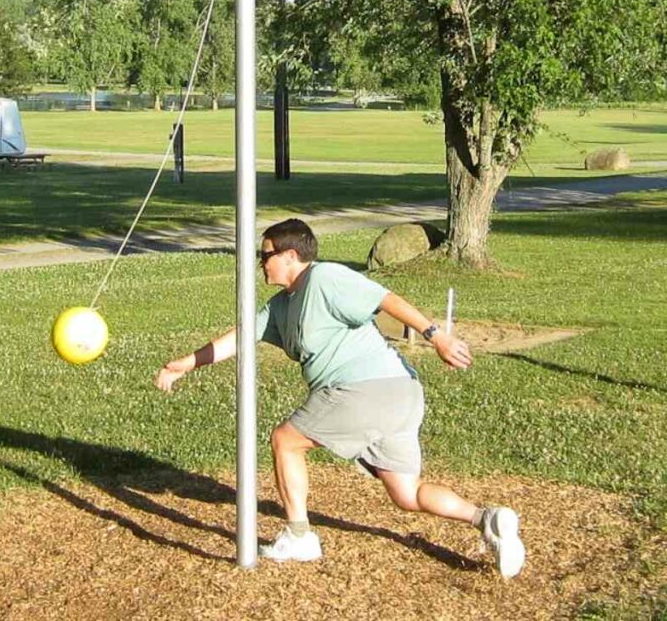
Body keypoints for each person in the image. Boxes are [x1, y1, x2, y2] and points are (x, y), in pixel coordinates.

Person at [155, 218, 525, 578]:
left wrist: (436, 336)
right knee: (406, 493)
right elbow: (241, 337)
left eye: (264, 255)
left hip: (364, 389)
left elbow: (385, 298)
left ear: (290, 256)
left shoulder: (324, 278)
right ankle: (487, 518)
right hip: (397, 394)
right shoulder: (281, 306)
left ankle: (299, 537)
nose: (260, 263)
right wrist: (185, 364)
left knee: (285, 441)